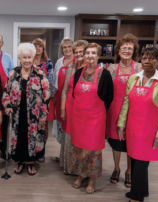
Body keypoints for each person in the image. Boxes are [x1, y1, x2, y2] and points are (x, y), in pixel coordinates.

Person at [107, 33, 158, 187]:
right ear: (118, 50)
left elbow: (155, 75)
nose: (127, 50)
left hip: (134, 111)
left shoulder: (140, 66)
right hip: (115, 110)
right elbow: (106, 89)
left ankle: (129, 171)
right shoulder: (111, 68)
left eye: (130, 48)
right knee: (115, 143)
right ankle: (116, 169)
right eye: (124, 48)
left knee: (131, 143)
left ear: (134, 50)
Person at [117, 47, 158, 202]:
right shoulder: (133, 78)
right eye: (144, 58)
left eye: (151, 58)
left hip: (150, 131)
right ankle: (144, 190)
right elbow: (126, 103)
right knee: (135, 159)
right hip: (132, 128)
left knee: (142, 162)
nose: (147, 62)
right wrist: (121, 123)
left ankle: (137, 197)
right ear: (140, 60)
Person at [70, 43, 114, 194]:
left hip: (95, 118)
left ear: (98, 55)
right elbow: (75, 94)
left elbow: (109, 97)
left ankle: (93, 178)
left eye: (93, 53)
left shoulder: (104, 74)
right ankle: (82, 174)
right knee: (79, 148)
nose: (90, 56)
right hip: (79, 117)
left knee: (94, 150)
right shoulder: (78, 73)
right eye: (87, 53)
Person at [2, 43, 51, 176]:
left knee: (34, 137)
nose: (27, 60)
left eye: (29, 57)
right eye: (24, 57)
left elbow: (47, 95)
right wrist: (7, 106)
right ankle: (19, 161)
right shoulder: (13, 73)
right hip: (17, 113)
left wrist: (44, 113)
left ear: (33, 57)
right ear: (20, 58)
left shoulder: (40, 74)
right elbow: (6, 93)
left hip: (35, 114)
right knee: (19, 137)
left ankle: (30, 162)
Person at [59, 40, 88, 174]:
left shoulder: (94, 69)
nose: (78, 54)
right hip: (70, 107)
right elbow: (64, 90)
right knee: (69, 136)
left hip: (85, 109)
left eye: (81, 51)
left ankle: (81, 168)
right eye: (76, 52)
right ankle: (69, 167)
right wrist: (63, 109)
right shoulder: (71, 68)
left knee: (82, 137)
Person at [52, 37, 75, 162]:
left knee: (71, 127)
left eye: (69, 46)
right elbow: (55, 82)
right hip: (60, 97)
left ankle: (71, 155)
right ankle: (63, 153)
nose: (66, 49)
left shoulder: (78, 61)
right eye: (64, 47)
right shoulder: (59, 61)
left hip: (72, 99)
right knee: (62, 126)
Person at [32, 38, 54, 163]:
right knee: (32, 125)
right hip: (31, 99)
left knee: (43, 124)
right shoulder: (29, 59)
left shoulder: (48, 62)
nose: (38, 48)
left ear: (43, 48)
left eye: (40, 46)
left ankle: (41, 150)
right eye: (35, 46)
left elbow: (49, 80)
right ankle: (32, 148)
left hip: (44, 98)